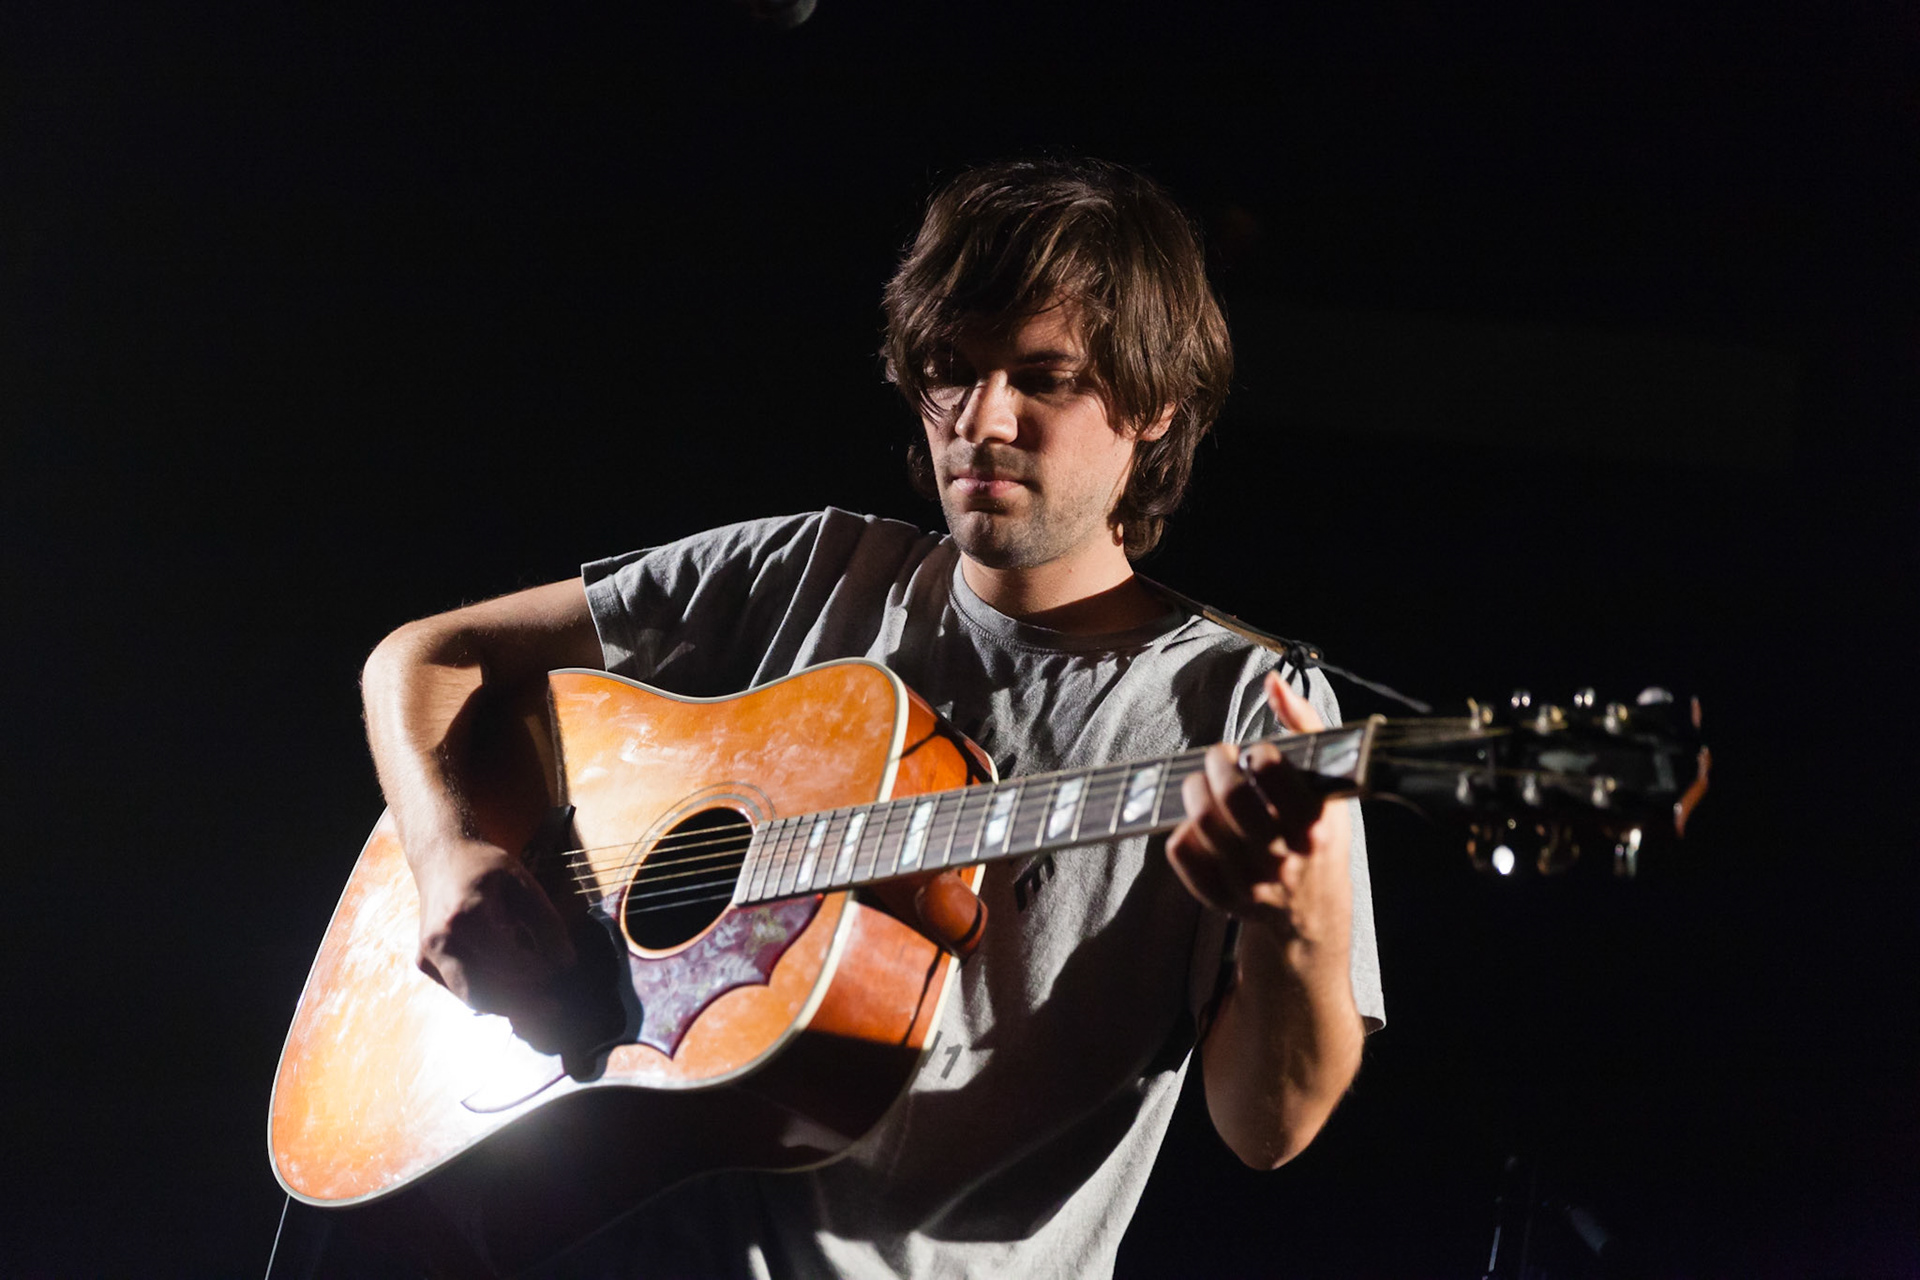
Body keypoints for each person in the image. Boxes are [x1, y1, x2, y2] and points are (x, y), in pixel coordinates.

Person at [360, 157, 1385, 1279]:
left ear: (1151, 408)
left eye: (1042, 378)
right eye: (952, 371)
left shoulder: (1244, 707)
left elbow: (1268, 1125)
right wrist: (449, 847)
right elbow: (423, 657)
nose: (981, 420)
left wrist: (1298, 919)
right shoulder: (807, 570)